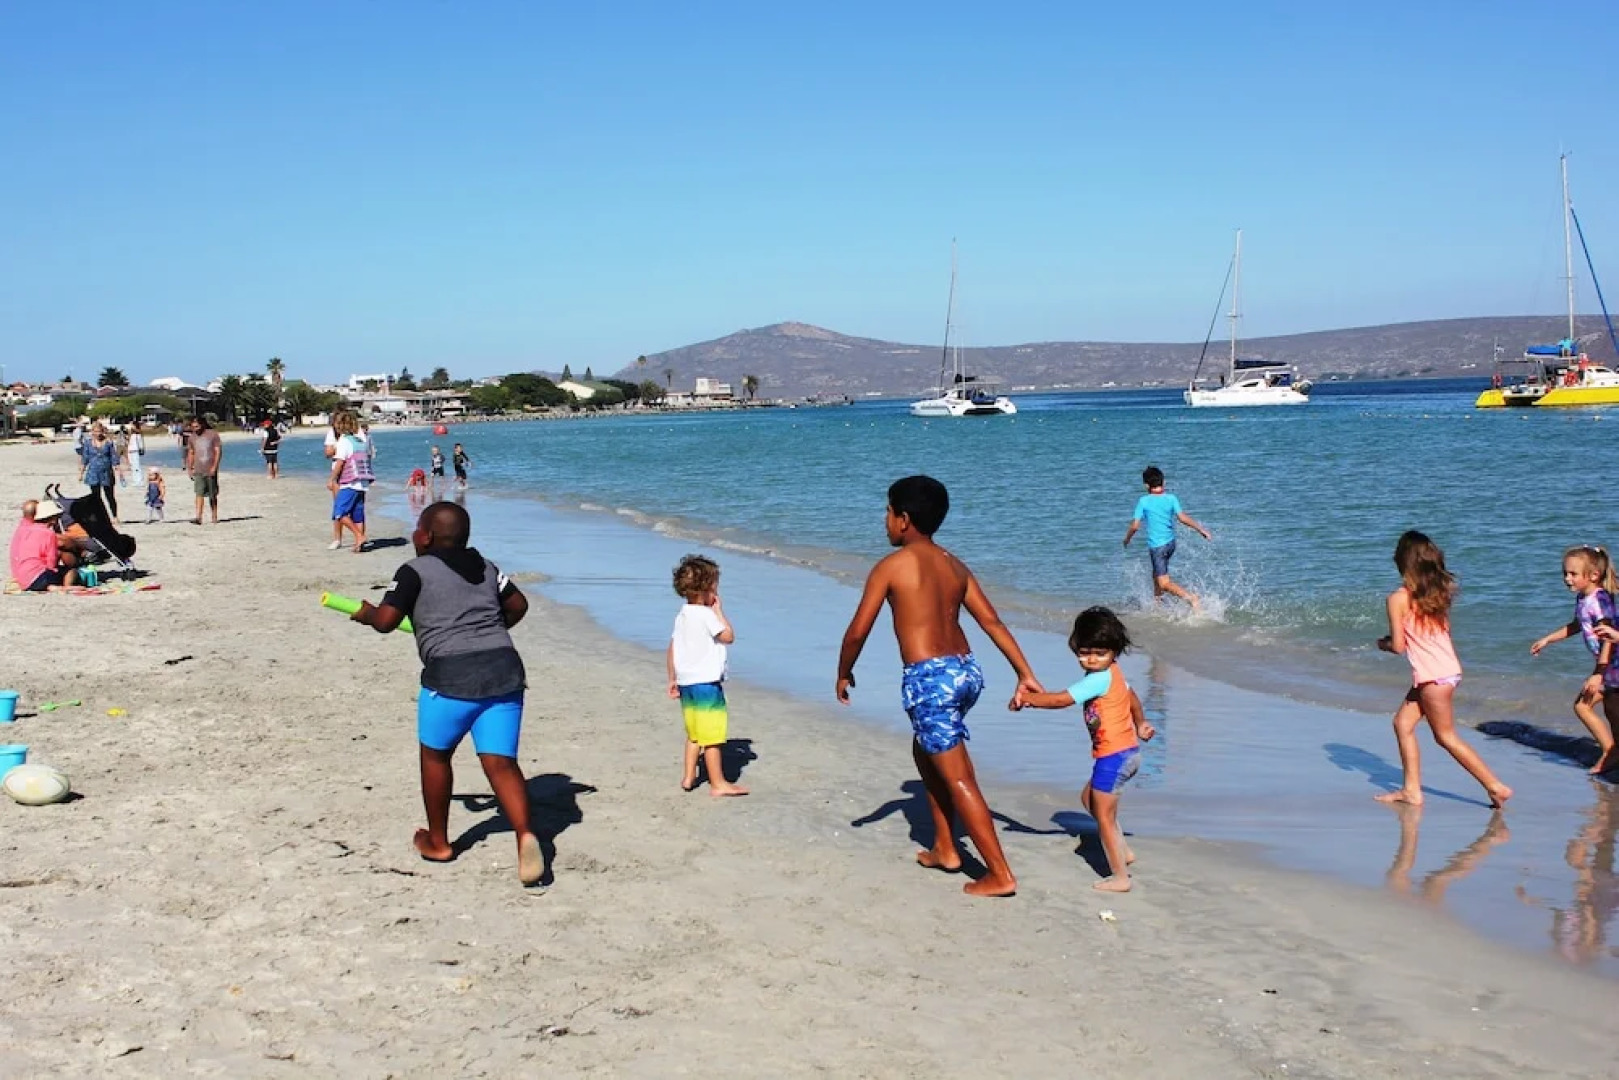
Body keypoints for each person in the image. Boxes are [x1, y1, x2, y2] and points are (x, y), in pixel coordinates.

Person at [836, 475, 1042, 898]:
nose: (885, 521)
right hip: (966, 672)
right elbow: (991, 622)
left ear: (904, 520)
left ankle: (999, 874)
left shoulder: (891, 567)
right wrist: (1024, 671)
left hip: (931, 680)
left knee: (960, 776)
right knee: (925, 748)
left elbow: (858, 630)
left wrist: (844, 670)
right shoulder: (953, 563)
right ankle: (945, 847)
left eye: (888, 513)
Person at [349, 501, 543, 887]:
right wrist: (488, 629)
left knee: (435, 756)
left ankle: (438, 843)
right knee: (501, 762)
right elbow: (518, 604)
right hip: (504, 669)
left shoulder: (414, 571)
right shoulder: (486, 566)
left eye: (418, 528)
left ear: (427, 536)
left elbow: (387, 622)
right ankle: (525, 834)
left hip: (450, 678)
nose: (414, 534)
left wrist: (366, 613)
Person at [1012, 607, 1155, 892]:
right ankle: (1123, 852)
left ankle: (1120, 877)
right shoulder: (1113, 674)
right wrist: (1141, 723)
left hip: (1114, 757)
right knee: (1089, 799)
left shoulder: (1097, 679)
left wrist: (1029, 699)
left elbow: (1061, 701)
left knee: (1103, 817)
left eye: (1099, 653)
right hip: (1126, 752)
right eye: (1084, 652)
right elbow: (1132, 697)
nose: (1090, 659)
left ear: (1114, 652)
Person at [1374, 530, 1512, 809]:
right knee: (1402, 723)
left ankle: (1494, 785)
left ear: (1401, 562)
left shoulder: (1397, 598)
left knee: (1445, 736)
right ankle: (1411, 789)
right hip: (1446, 670)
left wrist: (1384, 643)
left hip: (1432, 678)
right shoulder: (1437, 593)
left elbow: (1400, 646)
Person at [1529, 545, 1619, 775]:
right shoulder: (1584, 598)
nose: (1567, 579)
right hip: (1607, 667)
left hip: (1613, 667)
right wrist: (1548, 639)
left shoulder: (1600, 600)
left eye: (1573, 574)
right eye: (1565, 573)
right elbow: (1578, 625)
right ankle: (1611, 751)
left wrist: (1598, 673)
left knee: (1598, 709)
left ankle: (1611, 752)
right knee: (1586, 707)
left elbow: (1608, 637)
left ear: (1593, 576)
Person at [666, 554, 747, 797]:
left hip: (686, 683)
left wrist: (672, 678)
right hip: (706, 685)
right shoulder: (706, 615)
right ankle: (718, 783)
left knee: (693, 734)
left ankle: (689, 776)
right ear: (707, 588)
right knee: (712, 737)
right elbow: (728, 636)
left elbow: (672, 648)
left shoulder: (683, 614)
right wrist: (719, 612)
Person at [1122, 465, 1211, 609]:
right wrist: (1201, 529)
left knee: (1164, 583)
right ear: (1164, 483)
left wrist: (1127, 539)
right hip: (1171, 544)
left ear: (1146, 485)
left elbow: (1135, 526)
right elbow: (1182, 518)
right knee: (1156, 574)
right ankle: (1157, 604)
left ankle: (1191, 598)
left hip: (1157, 547)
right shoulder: (1171, 498)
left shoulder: (1143, 501)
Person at [328, 412, 373, 553]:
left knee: (339, 512)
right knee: (357, 514)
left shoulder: (344, 441)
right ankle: (359, 545)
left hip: (350, 482)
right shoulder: (361, 441)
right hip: (363, 482)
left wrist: (332, 479)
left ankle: (359, 536)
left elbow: (340, 462)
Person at [9, 500, 76, 592]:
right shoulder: (49, 533)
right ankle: (64, 586)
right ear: (53, 519)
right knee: (69, 571)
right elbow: (51, 559)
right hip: (40, 576)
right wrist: (53, 571)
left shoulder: (24, 529)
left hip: (23, 578)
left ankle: (50, 586)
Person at [78, 423, 121, 520]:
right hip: (93, 473)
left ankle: (115, 516)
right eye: (95, 431)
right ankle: (100, 517)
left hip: (106, 472)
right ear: (92, 432)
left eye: (99, 431)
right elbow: (85, 459)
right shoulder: (88, 443)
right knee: (95, 497)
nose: (98, 433)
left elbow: (114, 457)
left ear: (103, 431)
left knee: (110, 496)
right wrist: (81, 473)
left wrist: (118, 469)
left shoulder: (109, 443)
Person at [185, 417, 222, 525]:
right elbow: (191, 452)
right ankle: (198, 517)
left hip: (210, 468)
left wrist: (214, 467)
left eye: (197, 426)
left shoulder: (213, 435)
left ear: (203, 424)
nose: (195, 429)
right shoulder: (192, 437)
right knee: (199, 493)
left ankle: (214, 516)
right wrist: (190, 467)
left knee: (212, 494)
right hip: (198, 469)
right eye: (193, 427)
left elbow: (218, 451)